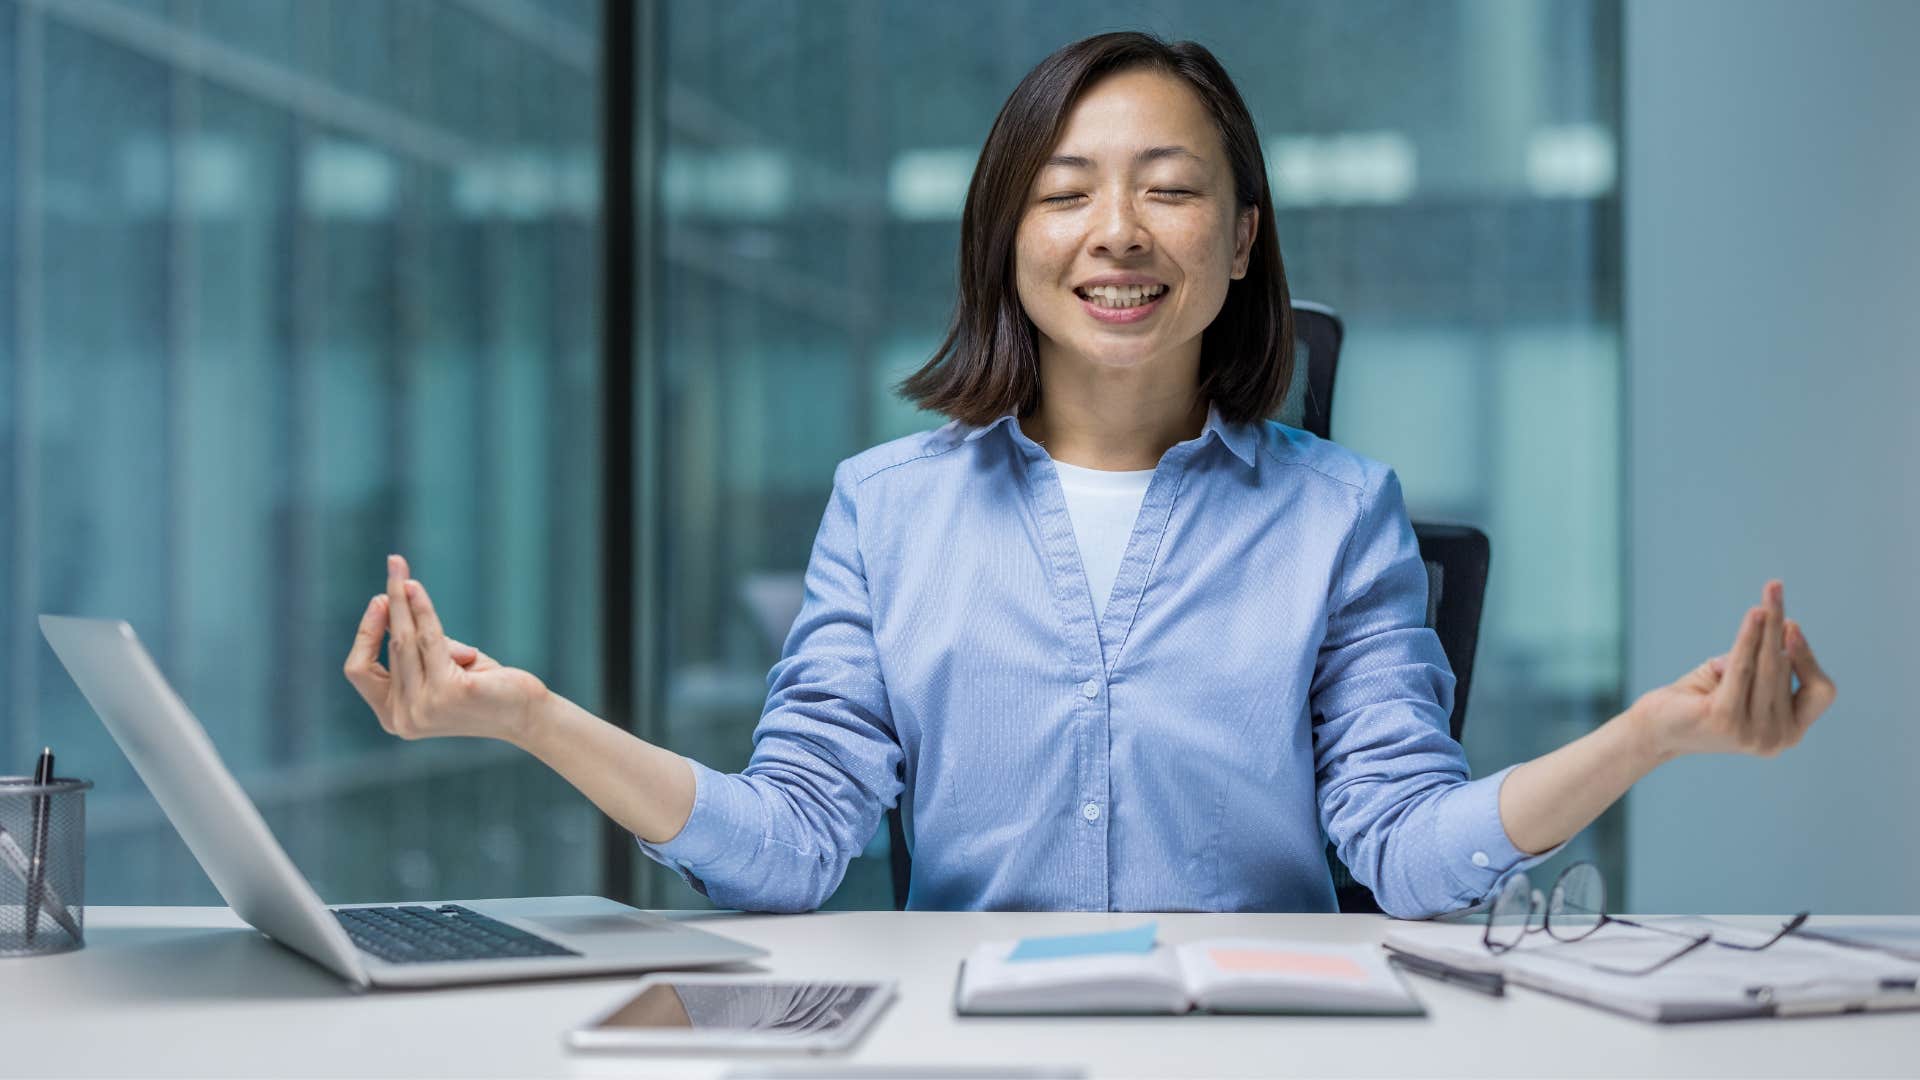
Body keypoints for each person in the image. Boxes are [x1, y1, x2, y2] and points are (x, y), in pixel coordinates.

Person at [342, 32, 1836, 918]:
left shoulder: (1340, 516)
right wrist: (525, 716)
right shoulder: (888, 507)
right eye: (1066, 194)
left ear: (1241, 241)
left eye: (1171, 190)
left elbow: (1411, 849)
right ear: (1009, 236)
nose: (1117, 231)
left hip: (1267, 1053)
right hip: (963, 1048)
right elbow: (789, 850)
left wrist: (1647, 734)